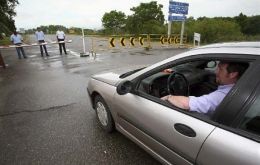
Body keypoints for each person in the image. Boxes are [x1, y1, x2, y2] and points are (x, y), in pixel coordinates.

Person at [162, 61, 249, 114]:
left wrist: (169, 97)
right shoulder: (242, 87)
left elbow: (186, 104)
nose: (216, 72)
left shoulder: (223, 95)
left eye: (220, 69)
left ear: (232, 74)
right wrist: (175, 70)